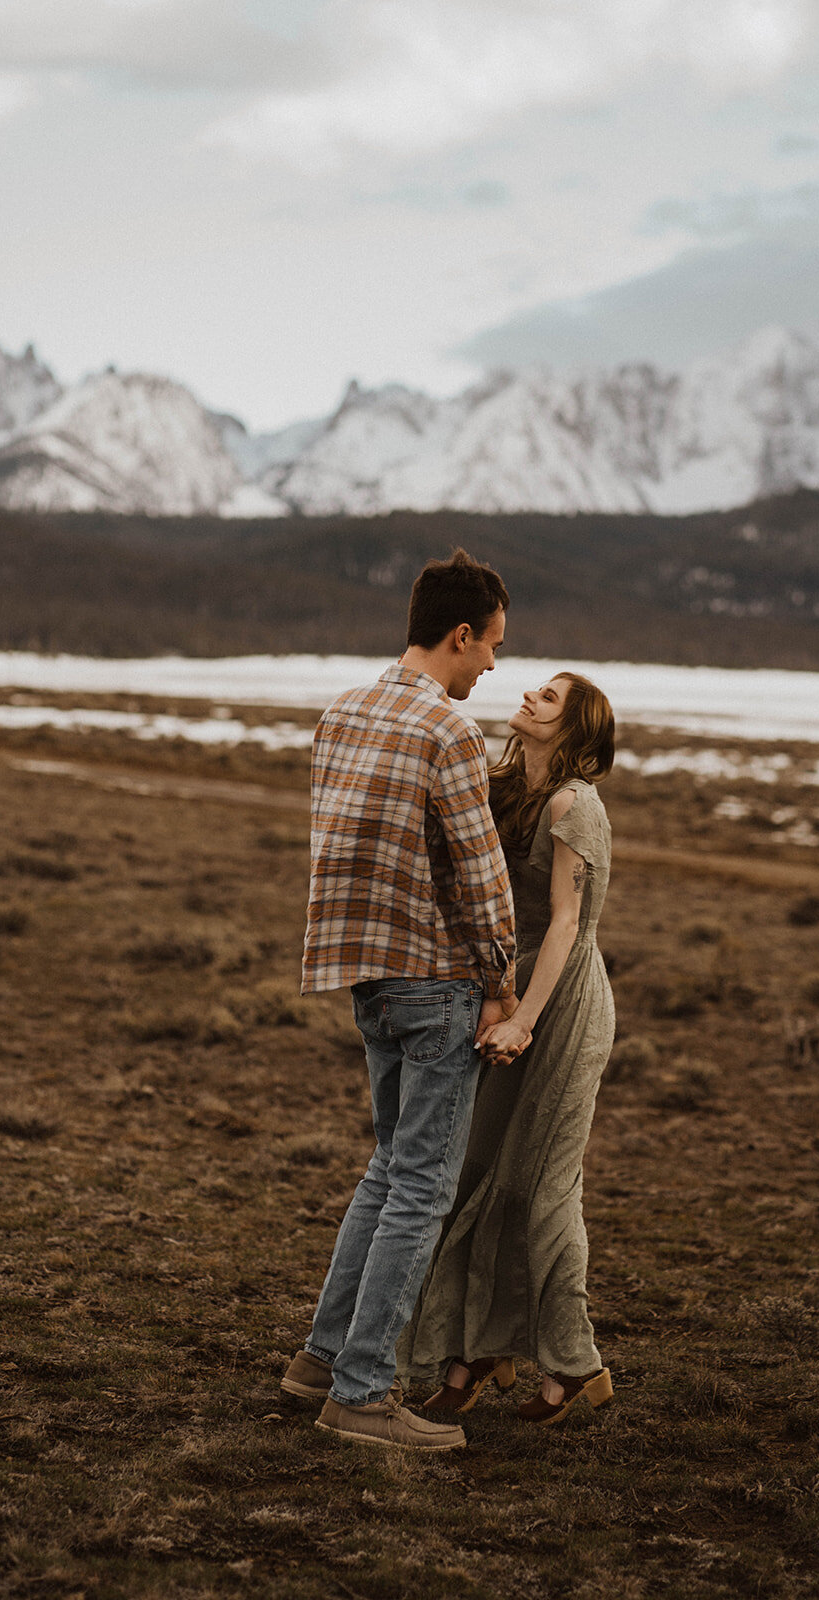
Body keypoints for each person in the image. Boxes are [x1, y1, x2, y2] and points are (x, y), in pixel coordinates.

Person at [281, 549, 521, 1452]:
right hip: (436, 984)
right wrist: (501, 987)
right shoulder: (446, 733)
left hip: (367, 978)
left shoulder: (343, 712)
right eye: (491, 646)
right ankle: (362, 1391)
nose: (493, 665)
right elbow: (480, 874)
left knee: (388, 1169)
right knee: (420, 1186)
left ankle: (320, 1360)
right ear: (459, 636)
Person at [396, 670, 616, 1426]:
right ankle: (472, 1355)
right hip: (498, 992)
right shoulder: (498, 785)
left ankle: (571, 1363)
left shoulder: (572, 806)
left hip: (559, 1003)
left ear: (576, 730)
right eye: (534, 690)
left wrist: (523, 1018)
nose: (528, 696)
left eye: (549, 699)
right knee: (471, 1178)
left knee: (537, 1189)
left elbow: (563, 923)